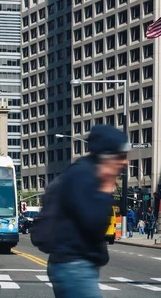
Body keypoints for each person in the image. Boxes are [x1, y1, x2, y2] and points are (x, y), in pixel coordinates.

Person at [47, 125, 128, 298]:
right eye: (121, 156)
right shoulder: (84, 176)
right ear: (107, 156)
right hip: (74, 267)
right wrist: (107, 187)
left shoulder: (83, 173)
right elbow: (94, 222)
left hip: (74, 266)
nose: (125, 162)